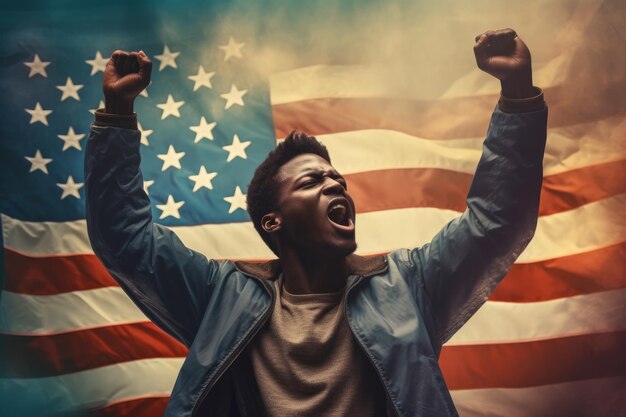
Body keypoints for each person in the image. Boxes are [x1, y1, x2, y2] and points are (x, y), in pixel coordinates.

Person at [85, 28, 547, 417]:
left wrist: (519, 98)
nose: (335, 185)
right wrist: (117, 115)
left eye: (337, 179)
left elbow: (496, 220)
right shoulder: (218, 297)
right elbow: (125, 237)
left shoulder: (410, 285)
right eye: (311, 181)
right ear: (273, 221)